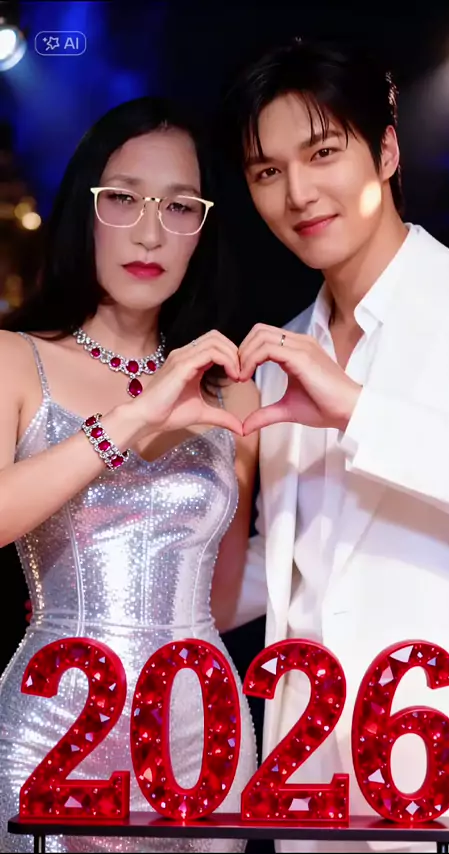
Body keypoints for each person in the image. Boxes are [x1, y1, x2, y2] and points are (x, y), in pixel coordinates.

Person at [220, 37, 449, 853]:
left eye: (323, 153)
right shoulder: (281, 352)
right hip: (313, 788)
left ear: (387, 151)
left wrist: (356, 410)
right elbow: (304, 565)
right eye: (267, 171)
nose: (298, 193)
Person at [0, 96, 258, 853]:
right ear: (85, 210)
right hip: (52, 733)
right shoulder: (17, 359)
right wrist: (134, 419)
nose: (150, 232)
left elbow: (226, 593)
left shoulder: (230, 392)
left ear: (203, 229)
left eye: (179, 207)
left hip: (203, 741)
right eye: (123, 198)